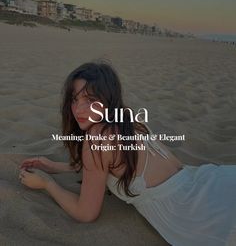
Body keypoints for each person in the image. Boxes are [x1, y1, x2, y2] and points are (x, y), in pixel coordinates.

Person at [19, 61, 236, 246]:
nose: (79, 109)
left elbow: (86, 214)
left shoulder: (97, 137)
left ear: (108, 99)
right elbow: (110, 166)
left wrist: (47, 184)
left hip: (194, 212)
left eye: (91, 101)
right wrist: (57, 167)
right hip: (204, 181)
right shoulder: (131, 120)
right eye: (75, 99)